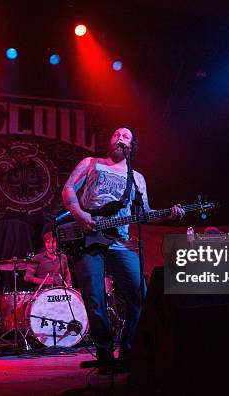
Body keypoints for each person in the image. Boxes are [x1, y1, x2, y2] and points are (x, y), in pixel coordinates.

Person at [61, 126, 184, 368]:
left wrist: (169, 213)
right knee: (95, 299)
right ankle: (104, 353)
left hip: (120, 240)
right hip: (87, 237)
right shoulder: (91, 163)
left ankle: (129, 350)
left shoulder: (137, 179)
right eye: (116, 134)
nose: (120, 138)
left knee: (141, 296)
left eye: (125, 136)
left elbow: (145, 214)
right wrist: (80, 215)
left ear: (132, 146)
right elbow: (67, 190)